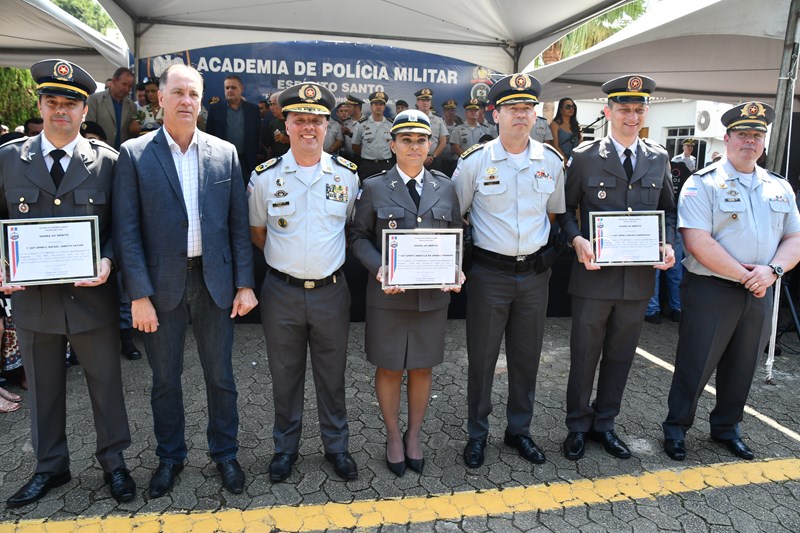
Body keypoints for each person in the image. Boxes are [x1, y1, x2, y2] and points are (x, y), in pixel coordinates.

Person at [113, 64, 257, 498]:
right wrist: (137, 294)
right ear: (161, 99)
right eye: (177, 93)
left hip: (214, 284)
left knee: (221, 377)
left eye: (193, 94)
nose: (185, 102)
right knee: (164, 381)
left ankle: (225, 454)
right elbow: (127, 231)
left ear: (202, 100)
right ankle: (170, 458)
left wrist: (245, 283)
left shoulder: (224, 152)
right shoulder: (135, 154)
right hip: (160, 290)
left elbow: (238, 226)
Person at [1, 59, 135, 507]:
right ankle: (50, 468)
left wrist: (109, 259)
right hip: (33, 301)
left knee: (105, 384)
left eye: (70, 104)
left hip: (91, 297)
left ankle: (114, 464)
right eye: (52, 102)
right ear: (39, 105)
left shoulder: (109, 163)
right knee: (42, 387)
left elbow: (122, 228)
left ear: (83, 110)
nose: (61, 111)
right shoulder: (6, 159)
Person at [662, 102, 800, 462]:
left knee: (743, 365)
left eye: (757, 135)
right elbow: (696, 240)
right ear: (727, 138)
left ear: (764, 142)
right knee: (696, 362)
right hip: (713, 288)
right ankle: (676, 428)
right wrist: (746, 275)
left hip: (762, 287)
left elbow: (794, 238)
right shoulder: (703, 183)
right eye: (742, 134)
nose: (750, 142)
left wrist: (772, 272)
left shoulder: (779, 188)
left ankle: (727, 428)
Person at [557, 75, 677, 461]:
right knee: (585, 354)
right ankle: (577, 424)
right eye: (624, 109)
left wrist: (668, 243)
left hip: (638, 280)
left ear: (646, 113)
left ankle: (605, 423)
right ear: (607, 112)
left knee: (621, 355)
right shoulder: (586, 156)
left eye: (639, 109)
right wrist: (576, 240)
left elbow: (670, 214)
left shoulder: (659, 157)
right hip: (594, 277)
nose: (631, 116)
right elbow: (565, 213)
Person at [248, 83, 360, 483]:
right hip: (282, 292)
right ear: (287, 125)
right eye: (300, 120)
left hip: (331, 291)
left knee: (333, 376)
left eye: (316, 120)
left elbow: (350, 228)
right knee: (285, 374)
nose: (309, 128)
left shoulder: (347, 177)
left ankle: (337, 447)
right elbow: (258, 233)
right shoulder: (264, 177)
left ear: (328, 125)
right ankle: (285, 449)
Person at [453, 73, 565, 468]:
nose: (521, 114)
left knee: (526, 358)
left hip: (534, 276)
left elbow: (556, 215)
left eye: (528, 108)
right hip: (489, 275)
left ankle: (519, 431)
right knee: (482, 359)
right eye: (513, 108)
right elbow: (457, 215)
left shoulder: (550, 161)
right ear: (494, 114)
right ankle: (477, 434)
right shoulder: (474, 163)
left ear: (535, 114)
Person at [349, 110, 463, 476]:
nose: (414, 147)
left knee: (421, 366)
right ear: (392, 144)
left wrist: (456, 266)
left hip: (432, 297)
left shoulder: (445, 186)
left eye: (421, 140)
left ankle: (414, 435)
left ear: (430, 145)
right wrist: (379, 267)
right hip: (389, 293)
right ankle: (393, 435)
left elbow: (458, 237)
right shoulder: (375, 186)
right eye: (407, 140)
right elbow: (358, 237)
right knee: (389, 365)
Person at [206, 75, 262, 183]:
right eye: (227, 88)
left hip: (246, 163)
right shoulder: (215, 109)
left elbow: (257, 135)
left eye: (233, 87)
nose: (230, 90)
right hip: (221, 163)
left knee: (247, 196)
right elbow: (209, 136)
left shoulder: (253, 110)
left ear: (241, 89)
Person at [85, 67, 136, 150]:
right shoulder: (95, 100)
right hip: (99, 152)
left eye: (130, 86)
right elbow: (90, 128)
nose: (126, 89)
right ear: (114, 81)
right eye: (124, 84)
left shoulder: (132, 106)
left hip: (122, 155)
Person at [353, 91, 394, 178]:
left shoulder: (391, 125)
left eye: (381, 104)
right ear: (371, 106)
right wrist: (367, 155)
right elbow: (355, 145)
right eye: (375, 104)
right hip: (367, 165)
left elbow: (395, 146)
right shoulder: (361, 124)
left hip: (386, 164)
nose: (378, 106)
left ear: (384, 106)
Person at [413, 89, 448, 170]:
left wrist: (432, 157)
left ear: (430, 102)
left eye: (428, 100)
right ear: (417, 102)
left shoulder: (438, 120)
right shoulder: (411, 118)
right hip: (414, 158)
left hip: (433, 160)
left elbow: (443, 142)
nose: (425, 103)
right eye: (422, 100)